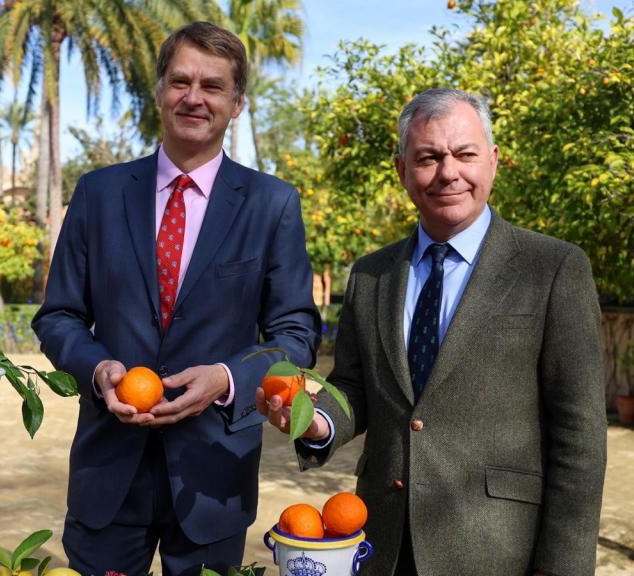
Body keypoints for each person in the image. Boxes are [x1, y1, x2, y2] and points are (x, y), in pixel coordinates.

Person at [258, 88, 607, 575]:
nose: (449, 173)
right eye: (429, 157)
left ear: (493, 160)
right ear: (402, 170)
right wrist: (318, 424)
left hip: (498, 550)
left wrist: (561, 566)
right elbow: (356, 385)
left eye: (465, 154)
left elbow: (581, 434)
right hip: (382, 542)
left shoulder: (552, 269)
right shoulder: (372, 274)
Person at [32, 21, 320, 576]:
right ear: (160, 91)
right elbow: (60, 315)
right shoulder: (97, 193)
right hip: (107, 474)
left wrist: (228, 378)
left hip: (214, 479)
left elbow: (296, 335)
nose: (194, 98)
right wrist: (98, 369)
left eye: (212, 86)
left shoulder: (272, 205)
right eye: (180, 81)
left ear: (236, 104)